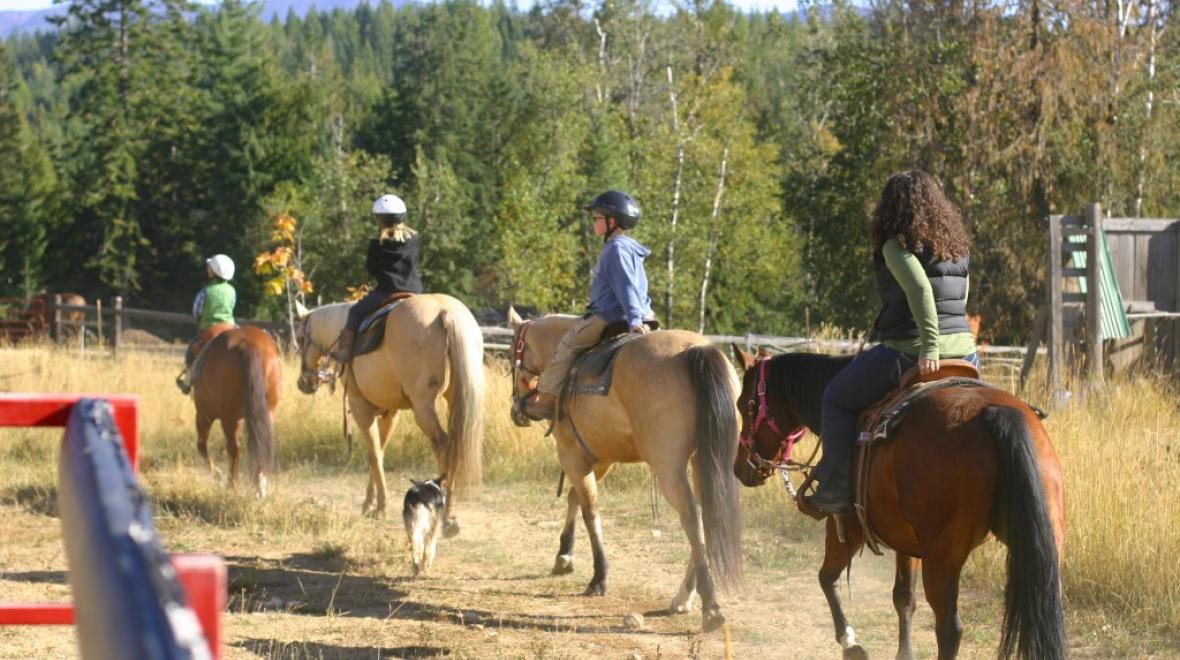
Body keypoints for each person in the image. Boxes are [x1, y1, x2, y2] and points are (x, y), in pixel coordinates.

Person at [802, 170, 979, 516]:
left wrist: (930, 347)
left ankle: (836, 487)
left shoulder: (894, 245)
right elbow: (962, 298)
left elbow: (920, 291)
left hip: (911, 350)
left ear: (891, 207)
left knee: (835, 398)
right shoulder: (958, 248)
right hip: (966, 352)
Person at [522, 190, 654, 421]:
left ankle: (547, 401)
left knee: (567, 345)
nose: (593, 221)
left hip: (609, 317)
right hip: (645, 313)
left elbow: (626, 287)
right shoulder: (631, 249)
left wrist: (634, 321)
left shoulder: (614, 249)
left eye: (597, 217)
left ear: (611, 222)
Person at [331, 194, 423, 363]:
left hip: (387, 292)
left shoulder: (377, 242)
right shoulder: (414, 239)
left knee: (354, 312)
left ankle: (344, 352)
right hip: (414, 291)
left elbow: (372, 269)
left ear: (380, 219)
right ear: (402, 216)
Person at [176, 254, 237, 394]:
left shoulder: (206, 291)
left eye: (209, 268)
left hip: (210, 330)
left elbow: (197, 311)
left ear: (213, 271)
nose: (207, 269)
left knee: (191, 352)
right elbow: (231, 307)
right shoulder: (232, 291)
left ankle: (187, 382)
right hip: (230, 327)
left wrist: (200, 321)